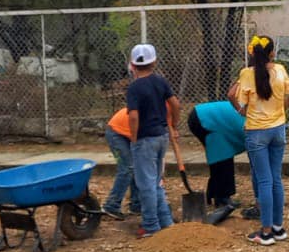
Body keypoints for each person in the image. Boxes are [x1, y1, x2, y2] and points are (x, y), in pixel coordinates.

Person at [230, 35, 289, 246]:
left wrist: (241, 111)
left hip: (257, 132)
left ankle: (266, 232)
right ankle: (278, 228)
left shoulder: (247, 73)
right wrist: (282, 109)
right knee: (276, 179)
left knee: (264, 180)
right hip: (278, 130)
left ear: (252, 53)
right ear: (272, 53)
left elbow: (233, 95)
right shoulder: (280, 70)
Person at [126, 44, 183, 237]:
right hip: (161, 136)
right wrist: (174, 124)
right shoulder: (160, 81)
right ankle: (165, 221)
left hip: (145, 138)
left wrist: (134, 138)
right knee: (156, 181)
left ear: (133, 64)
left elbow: (133, 116)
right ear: (154, 62)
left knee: (146, 185)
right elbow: (175, 103)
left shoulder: (134, 87)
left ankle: (150, 225)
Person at [188, 100, 248, 212]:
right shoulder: (250, 126)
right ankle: (222, 199)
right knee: (222, 157)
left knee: (221, 156)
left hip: (205, 116)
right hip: (204, 119)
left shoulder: (254, 116)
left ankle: (214, 193)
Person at [100, 106, 140, 221]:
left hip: (128, 133)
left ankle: (137, 205)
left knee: (136, 167)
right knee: (127, 168)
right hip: (116, 132)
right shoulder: (154, 110)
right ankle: (111, 205)